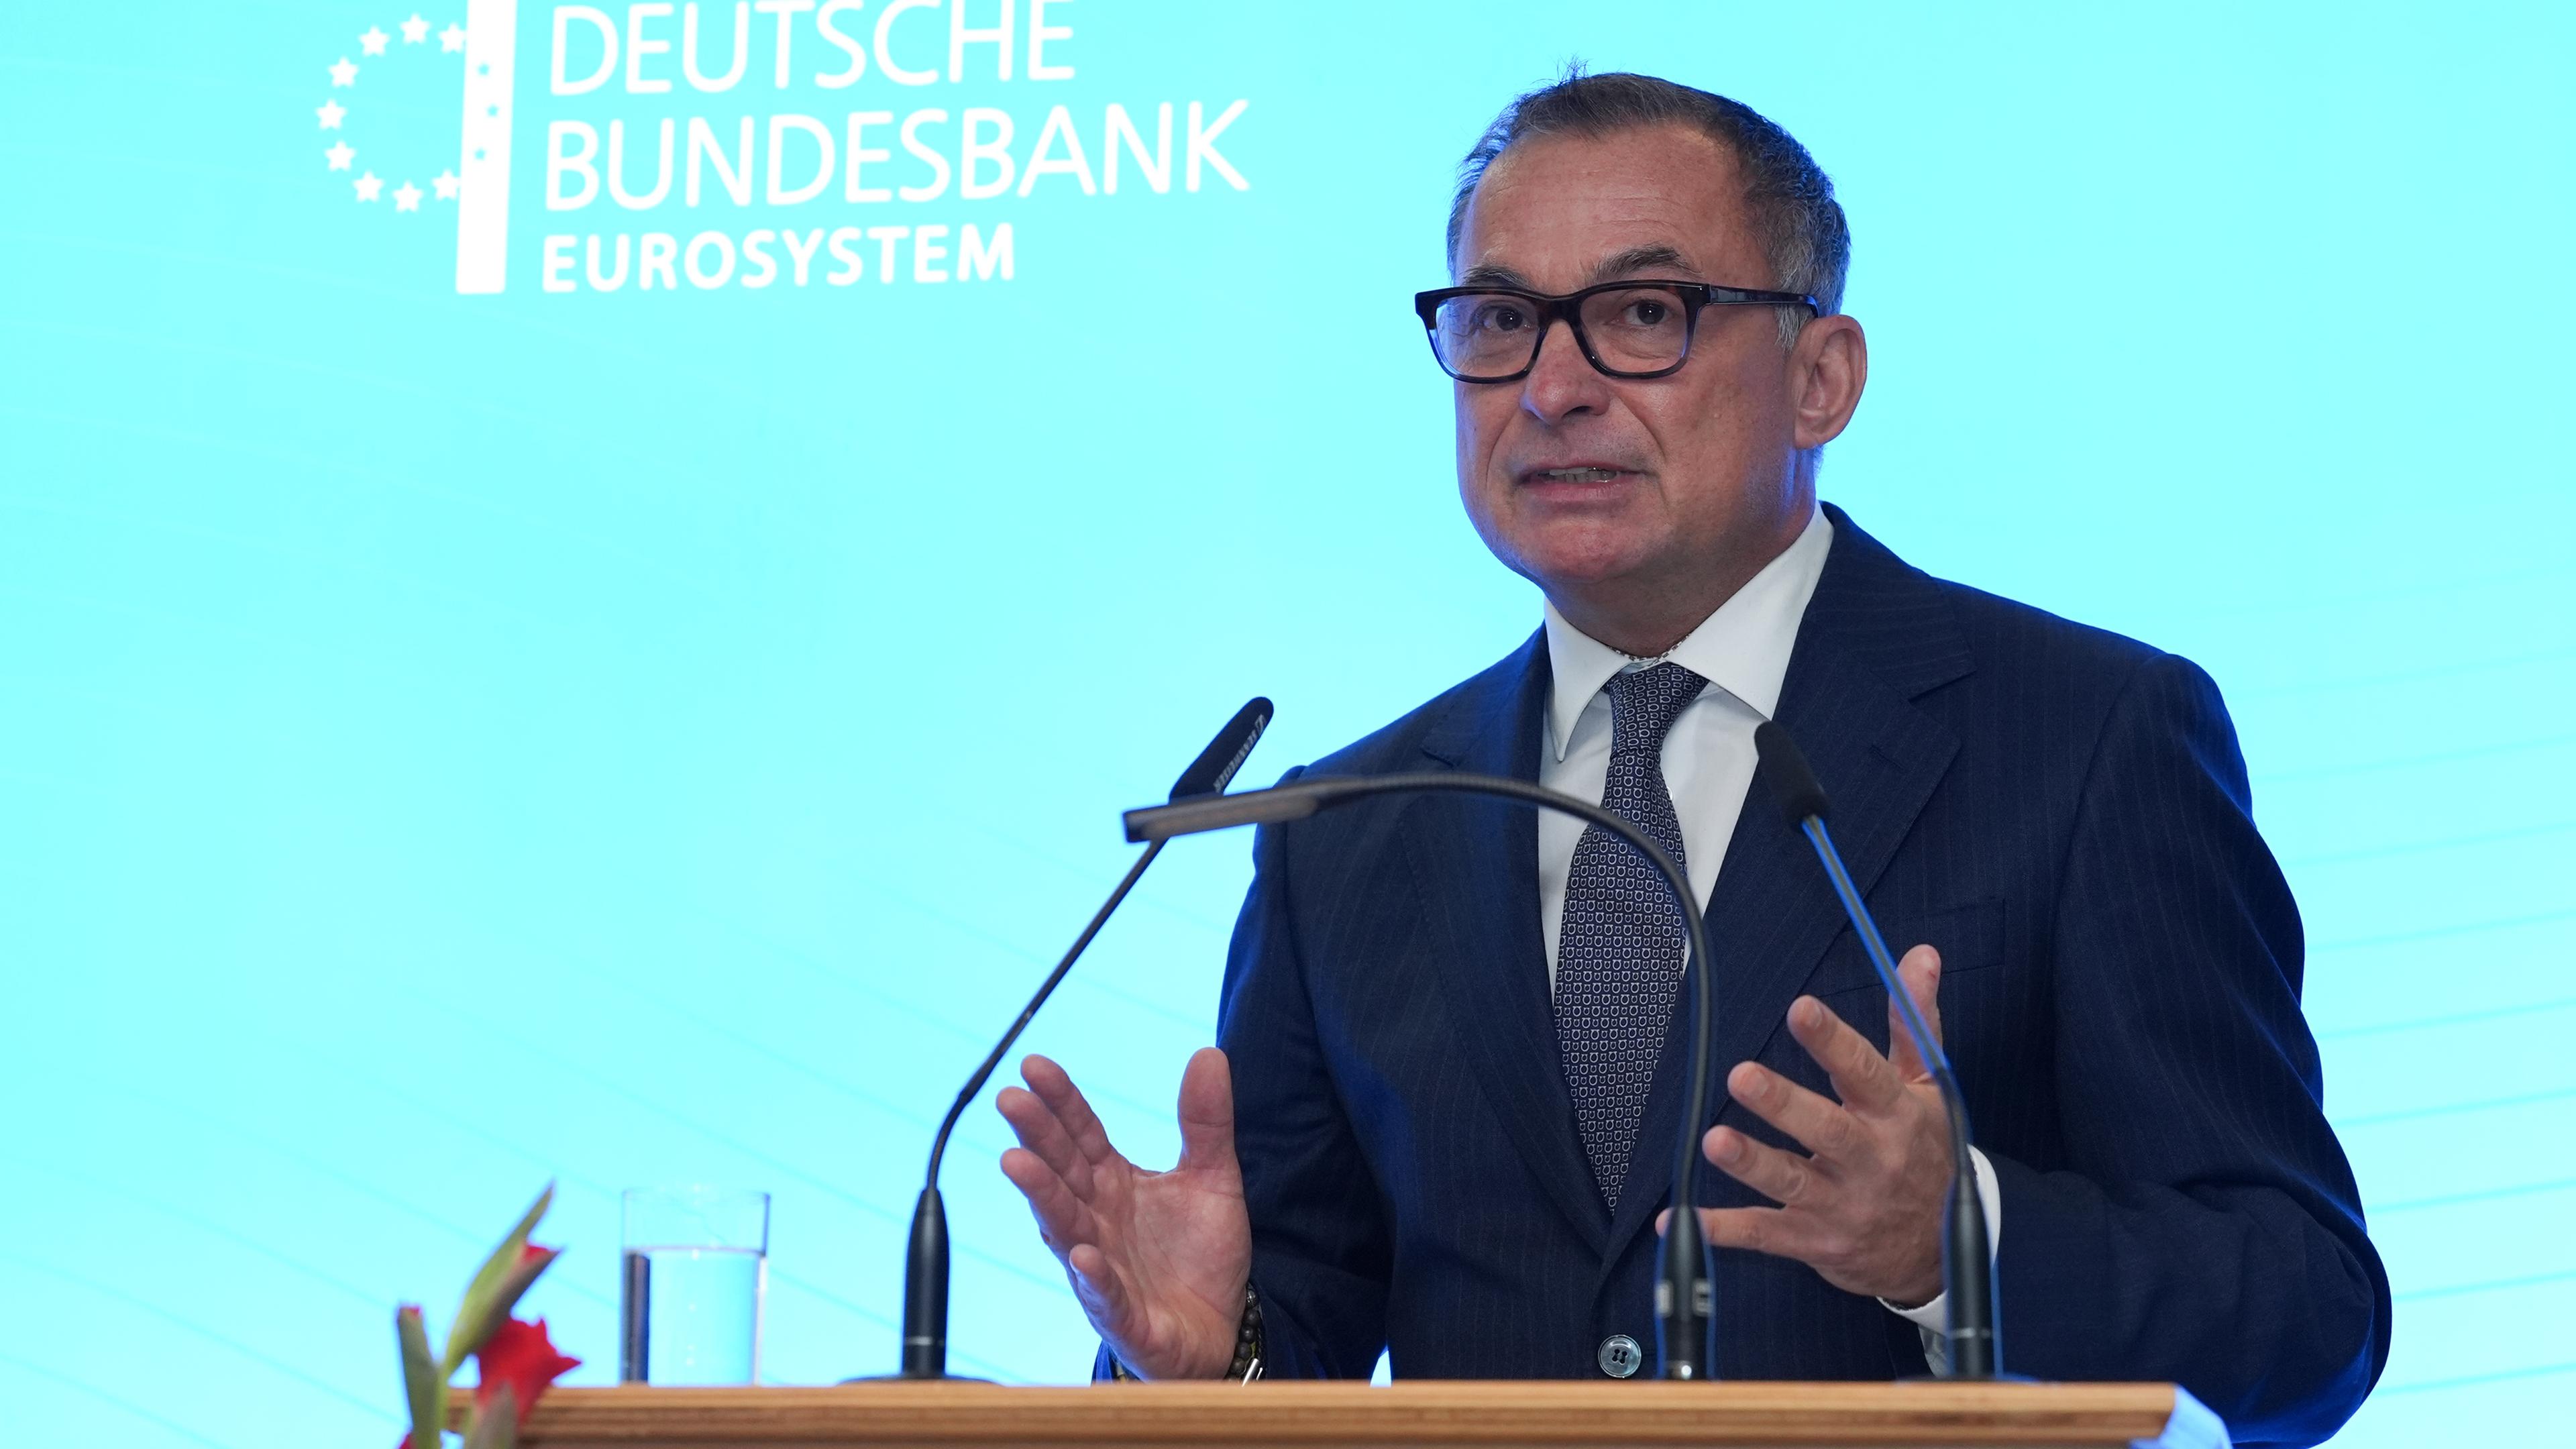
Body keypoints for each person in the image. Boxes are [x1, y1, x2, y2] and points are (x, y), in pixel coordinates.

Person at [993, 70, 2389, 1446]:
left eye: (1642, 315)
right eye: (1500, 321)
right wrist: (1206, 1359)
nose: (1552, 389)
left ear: (1822, 379)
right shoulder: (1351, 826)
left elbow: (2310, 1320)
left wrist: (1953, 1241)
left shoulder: (2086, 737)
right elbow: (1292, 1341)